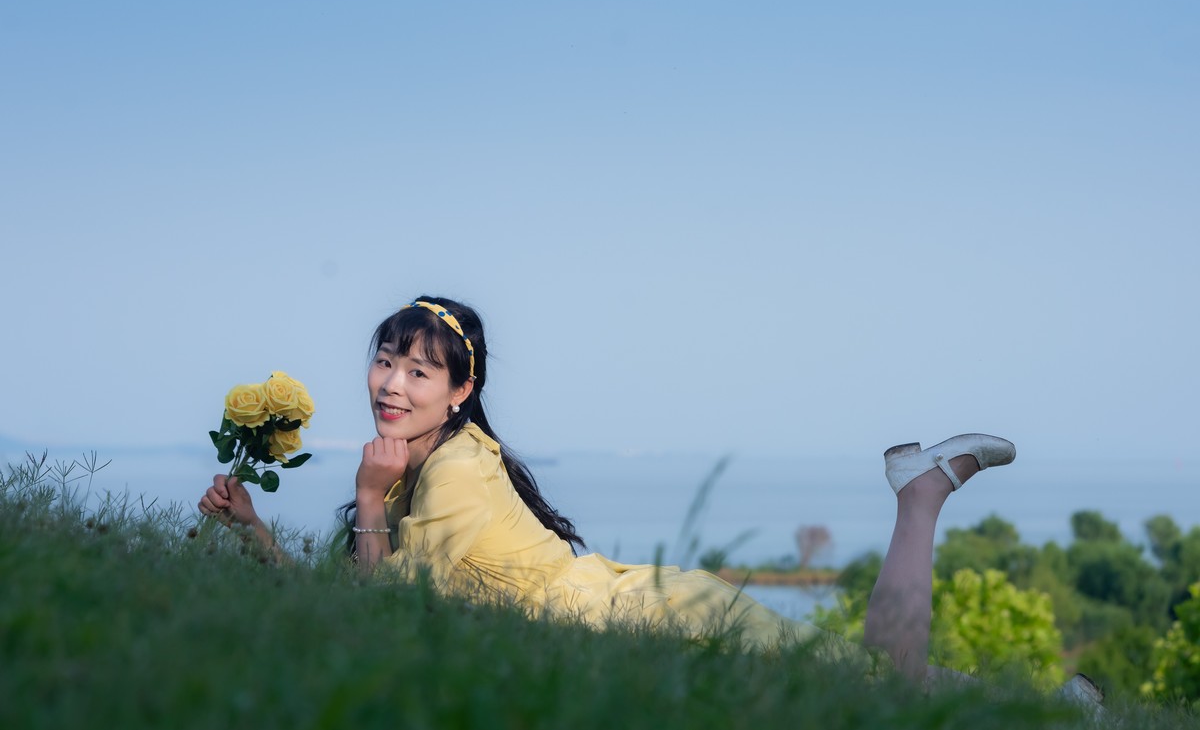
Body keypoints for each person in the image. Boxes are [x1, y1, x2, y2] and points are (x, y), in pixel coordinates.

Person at [197, 296, 1099, 701]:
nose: (393, 382)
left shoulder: (455, 468)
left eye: (419, 369)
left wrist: (364, 496)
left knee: (879, 690)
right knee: (871, 689)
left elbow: (387, 611)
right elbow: (353, 602)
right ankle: (1052, 711)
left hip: (657, 622)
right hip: (639, 609)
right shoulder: (422, 464)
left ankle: (919, 497)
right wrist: (256, 533)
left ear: (460, 391)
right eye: (386, 360)